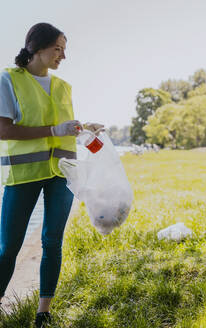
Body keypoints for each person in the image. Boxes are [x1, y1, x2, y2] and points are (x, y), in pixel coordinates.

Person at [0, 23, 103, 328]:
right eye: (58, 48)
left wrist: (84, 129)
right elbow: (3, 129)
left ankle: (43, 312)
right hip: (25, 173)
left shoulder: (63, 87)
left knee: (52, 241)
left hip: (62, 173)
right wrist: (52, 131)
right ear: (36, 47)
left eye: (64, 49)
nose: (63, 55)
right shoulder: (9, 80)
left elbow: (63, 129)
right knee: (9, 247)